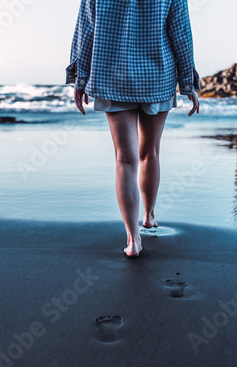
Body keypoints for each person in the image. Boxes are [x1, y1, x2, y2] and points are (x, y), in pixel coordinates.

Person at [66, 0, 200, 258]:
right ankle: (148, 216)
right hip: (157, 77)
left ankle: (133, 239)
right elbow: (181, 33)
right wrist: (188, 84)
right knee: (149, 152)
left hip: (111, 74)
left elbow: (86, 30)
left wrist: (80, 78)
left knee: (124, 160)